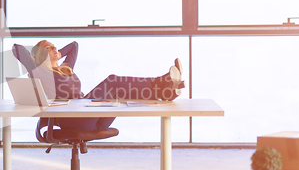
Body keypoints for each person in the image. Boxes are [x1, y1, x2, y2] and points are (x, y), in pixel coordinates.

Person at [17, 40, 184, 132]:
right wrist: (41, 57)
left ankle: (164, 89)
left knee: (119, 92)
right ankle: (162, 85)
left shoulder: (66, 68)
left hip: (86, 113)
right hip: (73, 120)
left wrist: (57, 52)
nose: (53, 47)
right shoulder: (40, 72)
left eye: (54, 46)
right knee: (112, 81)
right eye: (48, 47)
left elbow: (74, 45)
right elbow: (17, 50)